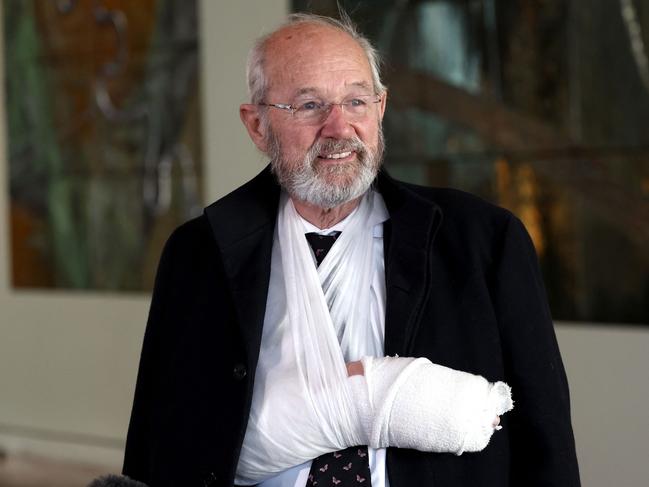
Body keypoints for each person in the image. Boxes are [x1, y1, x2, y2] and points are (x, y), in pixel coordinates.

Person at [122, 13, 580, 487]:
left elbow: (544, 438)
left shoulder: (483, 241)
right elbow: (156, 436)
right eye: (309, 105)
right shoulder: (199, 253)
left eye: (356, 101)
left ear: (380, 108)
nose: (339, 127)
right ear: (257, 125)